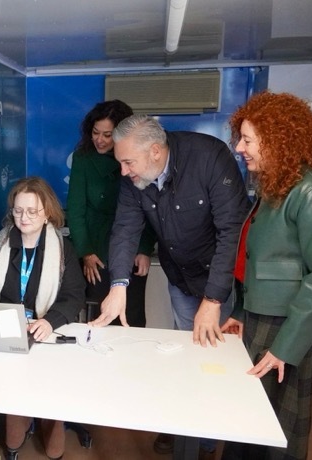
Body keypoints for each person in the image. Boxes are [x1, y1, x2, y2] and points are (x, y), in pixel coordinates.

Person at [89, 114, 250, 456]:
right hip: (180, 277)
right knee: (187, 354)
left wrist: (213, 299)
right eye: (120, 163)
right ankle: (185, 426)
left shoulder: (209, 157)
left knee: (215, 360)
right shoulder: (135, 177)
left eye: (128, 163)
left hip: (217, 277)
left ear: (155, 151)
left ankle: (206, 440)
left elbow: (231, 232)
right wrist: (118, 286)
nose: (123, 171)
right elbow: (125, 229)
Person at [220, 91, 312, 460]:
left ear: (277, 139)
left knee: (279, 424)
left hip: (289, 324)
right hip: (261, 318)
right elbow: (260, 263)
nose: (240, 148)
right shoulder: (278, 185)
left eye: (247, 140)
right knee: (248, 411)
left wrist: (285, 348)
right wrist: (240, 313)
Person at [0, 176, 85, 460]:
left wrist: (50, 320)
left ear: (47, 213)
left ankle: (49, 426)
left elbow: (74, 295)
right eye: (18, 210)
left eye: (32, 211)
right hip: (5, 327)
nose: (24, 217)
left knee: (50, 385)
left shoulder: (62, 248)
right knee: (12, 384)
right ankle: (16, 434)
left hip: (45, 328)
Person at [67, 100, 156, 327]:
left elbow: (148, 207)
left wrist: (144, 249)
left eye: (107, 135)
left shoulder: (136, 158)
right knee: (100, 316)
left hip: (131, 248)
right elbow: (76, 211)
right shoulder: (83, 158)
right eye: (95, 133)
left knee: (131, 316)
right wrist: (86, 252)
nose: (100, 140)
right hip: (96, 250)